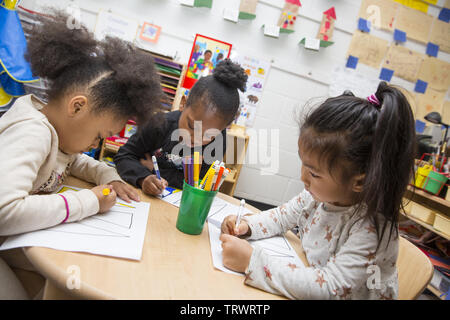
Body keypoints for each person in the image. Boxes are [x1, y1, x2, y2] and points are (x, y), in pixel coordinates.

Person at [220, 82, 416, 299]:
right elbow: (280, 217)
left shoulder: (370, 229)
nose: (302, 177)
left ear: (359, 182)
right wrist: (247, 226)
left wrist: (252, 262)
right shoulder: (316, 196)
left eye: (314, 173)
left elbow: (329, 289)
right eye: (303, 164)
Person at [0, 9, 163, 237]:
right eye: (99, 135)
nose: (96, 145)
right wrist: (89, 201)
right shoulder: (33, 132)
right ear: (77, 107)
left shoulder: (59, 140)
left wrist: (110, 178)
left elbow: (77, 163)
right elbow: (4, 211)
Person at [114, 59, 248, 196]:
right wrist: (143, 178)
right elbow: (124, 155)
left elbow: (200, 183)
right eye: (191, 125)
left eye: (208, 136)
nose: (195, 139)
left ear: (224, 128)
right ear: (183, 103)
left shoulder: (219, 140)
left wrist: (153, 170)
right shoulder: (160, 124)